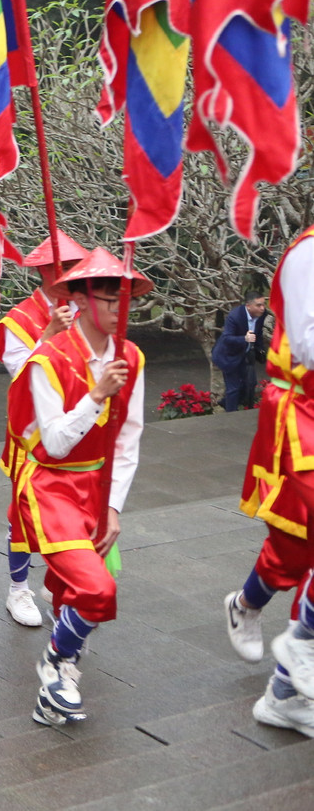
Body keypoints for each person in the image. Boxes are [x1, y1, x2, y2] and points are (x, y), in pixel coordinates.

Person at [4, 248, 146, 727]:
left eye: (126, 300)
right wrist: (97, 393)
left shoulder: (131, 356)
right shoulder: (49, 358)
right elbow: (55, 443)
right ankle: (55, 662)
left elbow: (128, 437)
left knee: (74, 597)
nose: (120, 309)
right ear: (81, 301)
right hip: (52, 487)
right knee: (98, 590)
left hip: (99, 487)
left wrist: (115, 506)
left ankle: (57, 684)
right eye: (110, 299)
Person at [237, 225, 314, 737]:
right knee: (292, 546)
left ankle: (285, 689)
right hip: (301, 412)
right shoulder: (309, 252)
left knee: (298, 549)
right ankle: (299, 644)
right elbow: (307, 344)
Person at [0, 231, 88, 628]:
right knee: (24, 512)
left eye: (76, 267)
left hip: (81, 426)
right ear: (46, 271)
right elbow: (21, 377)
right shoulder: (17, 322)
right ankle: (18, 587)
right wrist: (49, 335)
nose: (73, 275)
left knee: (78, 507)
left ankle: (60, 578)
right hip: (31, 432)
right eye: (66, 267)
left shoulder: (88, 312)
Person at [212, 292, 269, 413]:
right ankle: (231, 415)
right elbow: (227, 338)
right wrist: (244, 339)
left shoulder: (262, 314)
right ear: (248, 306)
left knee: (250, 384)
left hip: (244, 354)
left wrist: (261, 350)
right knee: (233, 388)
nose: (262, 308)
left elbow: (258, 333)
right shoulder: (235, 316)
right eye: (258, 305)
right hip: (227, 356)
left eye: (263, 304)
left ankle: (225, 403)